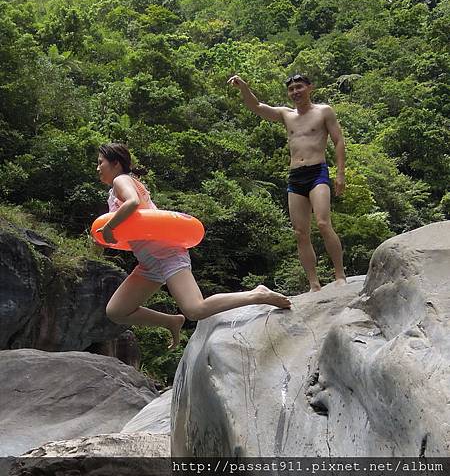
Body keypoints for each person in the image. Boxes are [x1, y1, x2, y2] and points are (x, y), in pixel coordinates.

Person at [95, 143, 291, 349]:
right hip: (148, 262)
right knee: (116, 311)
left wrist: (109, 227)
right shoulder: (118, 188)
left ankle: (257, 294)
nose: (98, 168)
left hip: (167, 253)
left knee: (195, 309)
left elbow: (132, 202)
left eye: (101, 163)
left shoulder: (121, 180)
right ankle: (171, 321)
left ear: (115, 164)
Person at [228, 74, 346, 292]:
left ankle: (340, 275)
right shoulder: (286, 114)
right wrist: (244, 87)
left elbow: (339, 141)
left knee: (322, 222)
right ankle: (314, 284)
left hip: (317, 171)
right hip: (296, 176)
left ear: (310, 87)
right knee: (300, 232)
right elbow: (256, 106)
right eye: (291, 89)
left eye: (299, 87)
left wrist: (340, 174)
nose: (295, 92)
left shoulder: (323, 111)